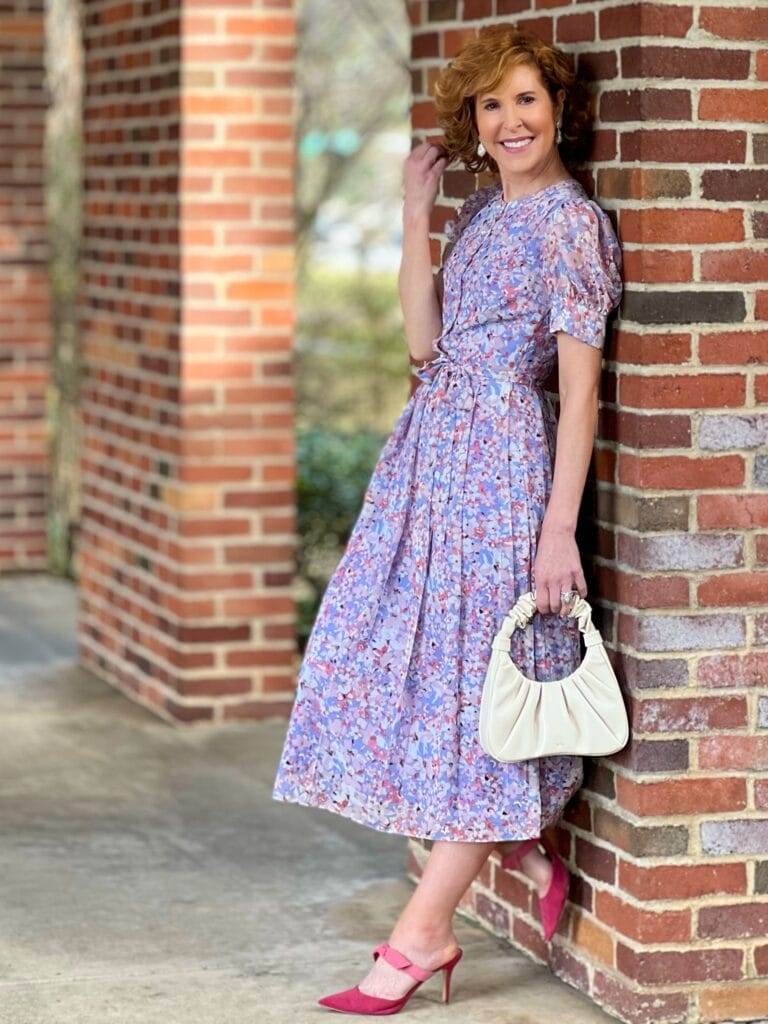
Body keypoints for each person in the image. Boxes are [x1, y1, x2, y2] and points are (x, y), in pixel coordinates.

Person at [272, 23, 623, 1016]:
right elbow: (425, 346)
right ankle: (500, 846)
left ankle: (422, 936)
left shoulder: (570, 225)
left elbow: (584, 393)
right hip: (428, 458)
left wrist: (558, 529)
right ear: (473, 121)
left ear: (558, 110)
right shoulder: (475, 212)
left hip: (503, 467)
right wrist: (415, 212)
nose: (510, 120)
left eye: (527, 100)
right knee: (400, 664)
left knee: (474, 690)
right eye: (491, 104)